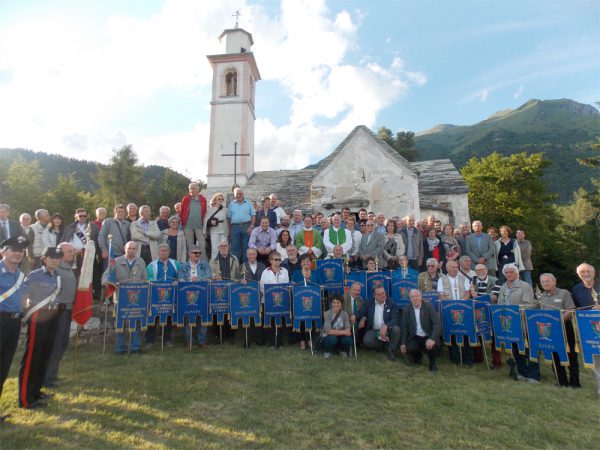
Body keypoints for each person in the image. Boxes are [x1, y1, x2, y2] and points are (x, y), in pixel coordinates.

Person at [18, 246, 63, 409]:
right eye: (52, 258)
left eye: (58, 258)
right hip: (37, 316)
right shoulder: (35, 275)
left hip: (52, 316)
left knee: (45, 354)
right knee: (32, 357)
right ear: (44, 259)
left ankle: (36, 391)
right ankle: (25, 398)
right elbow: (24, 296)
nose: (55, 261)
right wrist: (23, 315)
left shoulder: (57, 276)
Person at [0, 236, 28, 420]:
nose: (18, 253)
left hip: (14, 322)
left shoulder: (20, 275)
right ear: (3, 252)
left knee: (3, 366)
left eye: (20, 250)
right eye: (13, 250)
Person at [102, 241, 147, 355]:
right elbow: (106, 276)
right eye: (129, 248)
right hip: (120, 297)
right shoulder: (116, 261)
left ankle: (135, 347)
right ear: (124, 248)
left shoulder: (141, 262)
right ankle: (120, 348)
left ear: (136, 250)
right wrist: (107, 283)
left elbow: (145, 278)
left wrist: (139, 284)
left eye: (133, 249)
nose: (131, 250)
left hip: (136, 298)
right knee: (120, 324)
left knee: (136, 323)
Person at [43, 243, 77, 388]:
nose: (72, 253)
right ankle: (46, 378)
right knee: (54, 345)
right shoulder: (55, 268)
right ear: (61, 252)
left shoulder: (69, 268)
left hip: (68, 310)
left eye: (73, 251)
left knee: (62, 343)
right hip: (57, 311)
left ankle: (53, 375)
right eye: (69, 251)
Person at [497, 263, 538, 382]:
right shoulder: (503, 287)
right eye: (507, 273)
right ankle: (522, 372)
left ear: (517, 273)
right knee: (516, 348)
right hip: (509, 323)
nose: (509, 274)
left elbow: (529, 305)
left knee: (529, 349)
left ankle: (534, 375)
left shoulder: (525, 286)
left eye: (511, 272)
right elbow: (500, 304)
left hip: (523, 322)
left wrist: (514, 312)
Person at [538, 273, 579, 387]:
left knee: (570, 355)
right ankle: (561, 381)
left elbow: (571, 311)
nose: (545, 283)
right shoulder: (542, 296)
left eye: (548, 281)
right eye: (543, 282)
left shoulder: (564, 293)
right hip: (549, 330)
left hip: (564, 327)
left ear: (554, 281)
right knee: (555, 355)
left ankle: (575, 382)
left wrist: (558, 321)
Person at [571, 263, 600, 395]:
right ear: (578, 274)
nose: (586, 274)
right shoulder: (576, 289)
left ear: (594, 272)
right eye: (582, 272)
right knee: (595, 359)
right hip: (589, 330)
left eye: (588, 271)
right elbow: (575, 308)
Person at [437, 260, 473, 367]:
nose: (456, 269)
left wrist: (460, 304)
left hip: (463, 309)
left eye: (457, 267)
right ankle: (455, 359)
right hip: (449, 310)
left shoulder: (464, 278)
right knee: (452, 334)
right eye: (453, 267)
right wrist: (452, 305)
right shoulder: (441, 280)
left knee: (465, 334)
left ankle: (468, 359)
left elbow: (467, 293)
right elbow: (441, 295)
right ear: (447, 269)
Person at [400, 289, 441, 372]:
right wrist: (403, 343)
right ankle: (418, 357)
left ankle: (432, 363)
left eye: (417, 296)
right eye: (412, 297)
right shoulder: (406, 310)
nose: (415, 299)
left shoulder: (429, 307)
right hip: (414, 336)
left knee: (432, 346)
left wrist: (432, 339)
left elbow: (437, 323)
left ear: (421, 297)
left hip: (427, 336)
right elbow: (404, 327)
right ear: (410, 298)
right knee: (410, 348)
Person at [179, 245, 212, 349]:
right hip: (187, 296)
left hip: (202, 296)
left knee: (202, 318)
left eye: (199, 253)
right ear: (189, 254)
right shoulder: (183, 266)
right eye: (195, 253)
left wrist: (199, 278)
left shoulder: (205, 265)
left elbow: (209, 276)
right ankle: (189, 342)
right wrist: (188, 280)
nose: (197, 254)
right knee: (188, 319)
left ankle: (201, 342)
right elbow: (180, 279)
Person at [356, 285, 400, 361]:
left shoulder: (391, 302)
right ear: (374, 295)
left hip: (388, 330)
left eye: (383, 293)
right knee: (367, 341)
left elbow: (395, 318)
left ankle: (391, 350)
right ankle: (383, 345)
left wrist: (386, 325)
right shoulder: (369, 302)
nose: (383, 295)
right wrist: (363, 318)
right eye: (379, 294)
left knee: (396, 329)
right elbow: (361, 313)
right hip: (374, 330)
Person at [471, 264, 502, 368]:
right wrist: (473, 295)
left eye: (482, 269)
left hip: (491, 311)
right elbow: (471, 295)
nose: (480, 271)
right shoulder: (473, 280)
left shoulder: (495, 280)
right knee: (477, 334)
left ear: (487, 270)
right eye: (478, 270)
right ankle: (478, 358)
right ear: (475, 272)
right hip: (477, 312)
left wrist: (477, 297)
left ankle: (497, 362)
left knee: (494, 337)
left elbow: (494, 297)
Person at [260, 251, 289, 348]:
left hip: (281, 301)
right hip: (268, 301)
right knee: (270, 321)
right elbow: (262, 286)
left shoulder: (284, 271)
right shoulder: (265, 272)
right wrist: (270, 296)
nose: (278, 261)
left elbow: (286, 285)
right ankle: (272, 342)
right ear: (271, 261)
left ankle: (280, 342)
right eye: (276, 259)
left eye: (280, 259)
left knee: (281, 321)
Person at [227, 188, 255, 264]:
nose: (239, 195)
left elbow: (253, 216)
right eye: (237, 194)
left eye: (240, 193)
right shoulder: (231, 204)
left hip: (246, 226)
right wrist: (230, 230)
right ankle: (235, 267)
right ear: (234, 195)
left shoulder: (249, 203)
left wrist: (251, 226)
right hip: (235, 228)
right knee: (235, 248)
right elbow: (229, 218)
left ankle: (245, 267)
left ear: (243, 194)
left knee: (246, 247)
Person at [322, 294, 352, 359]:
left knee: (348, 340)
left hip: (341, 336)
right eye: (334, 303)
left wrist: (343, 332)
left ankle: (343, 351)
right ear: (331, 304)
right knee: (332, 339)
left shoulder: (345, 314)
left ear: (341, 304)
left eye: (338, 302)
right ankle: (327, 352)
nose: (336, 305)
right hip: (330, 336)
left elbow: (348, 329)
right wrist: (344, 332)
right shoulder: (328, 313)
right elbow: (328, 331)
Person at [204, 192, 228, 260]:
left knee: (224, 248)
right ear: (215, 200)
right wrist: (211, 222)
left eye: (222, 199)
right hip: (214, 231)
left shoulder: (225, 210)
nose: (220, 200)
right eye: (219, 199)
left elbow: (228, 220)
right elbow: (206, 220)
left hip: (223, 230)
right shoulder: (210, 210)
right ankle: (214, 265)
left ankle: (224, 263)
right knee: (214, 249)